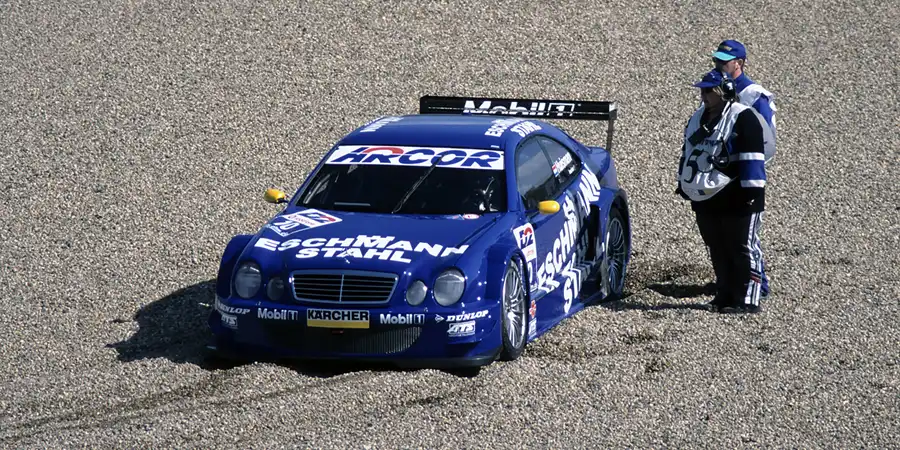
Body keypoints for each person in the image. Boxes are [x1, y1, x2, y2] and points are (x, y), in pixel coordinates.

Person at [676, 70, 772, 314]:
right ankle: (724, 294)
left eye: (709, 90)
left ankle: (748, 300)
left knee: (742, 247)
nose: (703, 95)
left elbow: (753, 159)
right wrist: (684, 185)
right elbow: (688, 153)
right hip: (707, 195)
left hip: (739, 195)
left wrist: (750, 191)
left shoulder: (744, 117)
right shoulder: (698, 118)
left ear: (724, 92)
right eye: (702, 90)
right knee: (717, 246)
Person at [712, 39, 775, 298]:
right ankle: (732, 281)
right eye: (716, 60)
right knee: (723, 234)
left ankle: (758, 285)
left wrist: (750, 171)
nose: (718, 65)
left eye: (723, 62)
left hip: (745, 173)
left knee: (746, 237)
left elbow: (766, 140)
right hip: (719, 175)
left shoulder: (754, 95)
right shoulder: (715, 89)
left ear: (739, 63)